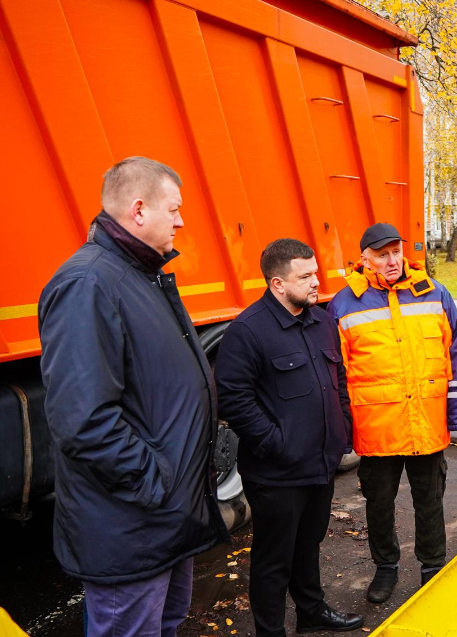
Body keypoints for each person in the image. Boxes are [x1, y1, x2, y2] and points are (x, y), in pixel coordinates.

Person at [38, 157, 229, 637]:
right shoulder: (89, 284)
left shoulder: (141, 275)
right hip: (136, 524)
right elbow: (83, 420)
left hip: (164, 520)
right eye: (175, 209)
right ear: (140, 210)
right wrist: (159, 486)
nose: (182, 220)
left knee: (165, 624)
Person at [215, 239, 362, 637]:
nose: (318, 281)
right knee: (273, 558)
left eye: (315, 271)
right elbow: (233, 398)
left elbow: (339, 379)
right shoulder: (248, 331)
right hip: (278, 472)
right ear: (278, 284)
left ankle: (311, 612)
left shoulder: (322, 321)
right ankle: (270, 631)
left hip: (320, 463)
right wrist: (277, 443)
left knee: (308, 544)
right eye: (306, 276)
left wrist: (343, 426)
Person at [328, 223, 457, 603]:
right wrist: (342, 434)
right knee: (379, 503)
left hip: (425, 422)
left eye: (396, 252)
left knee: (430, 499)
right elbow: (337, 375)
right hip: (376, 429)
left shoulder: (434, 293)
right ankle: (386, 568)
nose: (392, 260)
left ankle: (433, 567)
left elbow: (455, 356)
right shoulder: (343, 304)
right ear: (365, 259)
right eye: (382, 255)